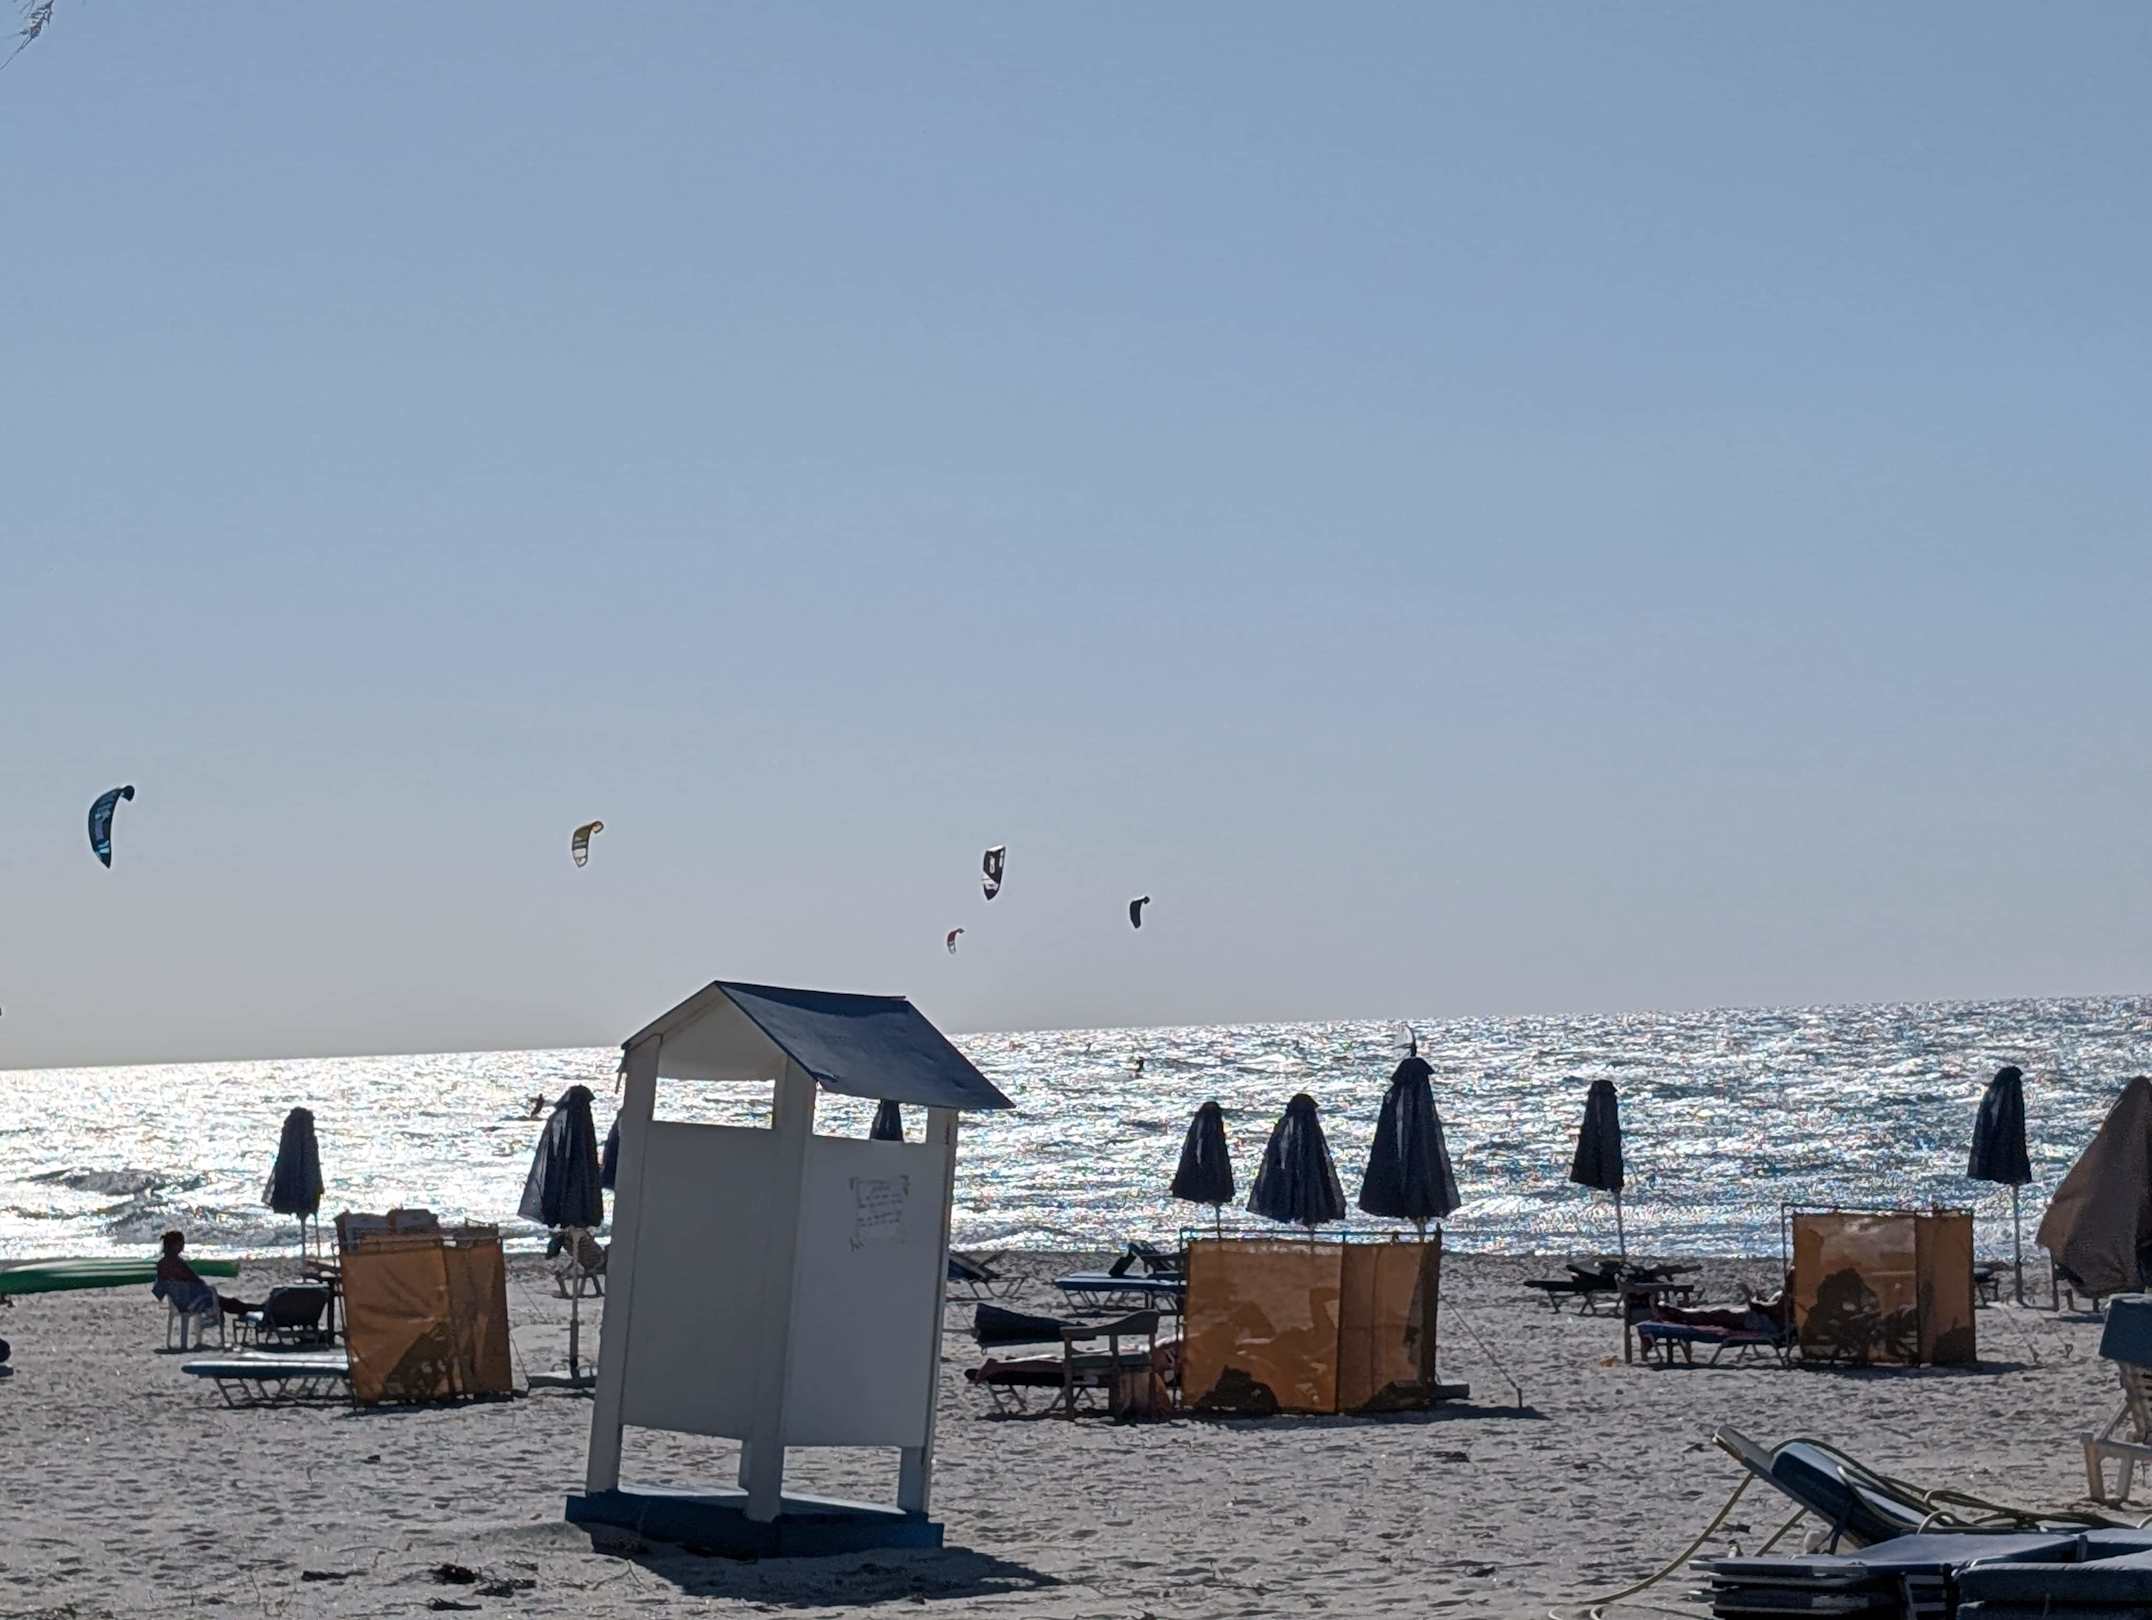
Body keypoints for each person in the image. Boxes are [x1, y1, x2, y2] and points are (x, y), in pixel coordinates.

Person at [152, 1230, 254, 1317]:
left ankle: (250, 1308)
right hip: (192, 1302)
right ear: (175, 1245)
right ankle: (253, 1308)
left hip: (180, 1302)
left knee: (225, 1302)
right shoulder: (177, 1263)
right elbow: (194, 1279)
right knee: (227, 1302)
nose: (183, 1245)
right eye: (182, 1242)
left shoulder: (162, 1264)